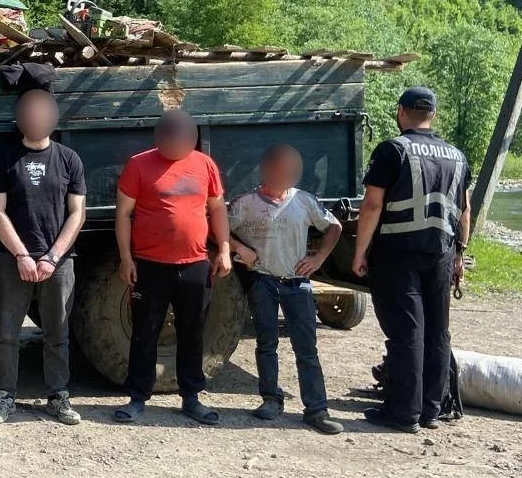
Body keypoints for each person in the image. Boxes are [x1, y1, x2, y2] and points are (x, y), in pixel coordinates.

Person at [352, 87, 469, 433]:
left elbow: (372, 204)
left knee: (406, 332)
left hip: (397, 253)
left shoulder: (393, 149)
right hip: (441, 253)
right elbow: (465, 210)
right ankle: (431, 410)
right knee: (437, 331)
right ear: (433, 114)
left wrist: (360, 252)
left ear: (401, 112)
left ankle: (403, 413)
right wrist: (460, 253)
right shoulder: (457, 156)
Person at [113, 110, 232, 425]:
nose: (176, 147)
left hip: (194, 265)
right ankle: (137, 398)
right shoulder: (139, 165)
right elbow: (123, 213)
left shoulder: (204, 165)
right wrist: (126, 258)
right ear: (159, 138)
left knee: (192, 332)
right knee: (145, 332)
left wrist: (224, 249)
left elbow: (217, 208)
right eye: (170, 141)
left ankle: (191, 397)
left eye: (183, 142)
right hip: (150, 266)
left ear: (192, 140)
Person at [0, 89, 86, 426]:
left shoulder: (69, 159)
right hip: (14, 260)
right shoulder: (3, 158)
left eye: (43, 113)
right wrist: (22, 255)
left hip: (59, 262)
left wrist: (53, 256)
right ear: (20, 119)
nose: (36, 119)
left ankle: (58, 396)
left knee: (57, 333)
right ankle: (4, 397)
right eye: (30, 113)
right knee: (6, 333)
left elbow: (77, 213)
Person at [229, 144, 344, 435]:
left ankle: (316, 409)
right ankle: (271, 399)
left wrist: (318, 258)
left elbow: (334, 227)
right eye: (281, 168)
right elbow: (215, 227)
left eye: (292, 169)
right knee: (266, 343)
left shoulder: (304, 201)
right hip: (262, 282)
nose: (286, 174)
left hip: (296, 284)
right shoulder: (245, 204)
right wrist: (239, 248)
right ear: (266, 170)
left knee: (306, 348)